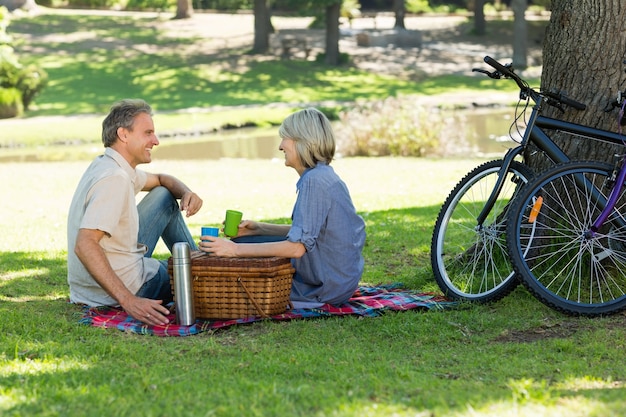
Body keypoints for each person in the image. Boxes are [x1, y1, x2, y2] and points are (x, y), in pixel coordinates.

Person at [199, 107, 366, 308]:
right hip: (339, 280)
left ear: (302, 141)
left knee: (235, 265)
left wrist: (233, 250)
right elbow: (317, 233)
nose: (280, 146)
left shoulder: (315, 182)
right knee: (249, 238)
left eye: (285, 138)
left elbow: (296, 248)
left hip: (323, 289)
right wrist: (260, 228)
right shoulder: (322, 175)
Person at [67, 98, 203, 325]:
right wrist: (129, 301)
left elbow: (161, 180)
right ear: (123, 134)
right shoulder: (114, 179)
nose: (156, 141)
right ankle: (201, 271)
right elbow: (85, 244)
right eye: (148, 133)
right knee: (182, 274)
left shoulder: (110, 165)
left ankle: (196, 262)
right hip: (117, 292)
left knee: (164, 194)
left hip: (90, 289)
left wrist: (187, 192)